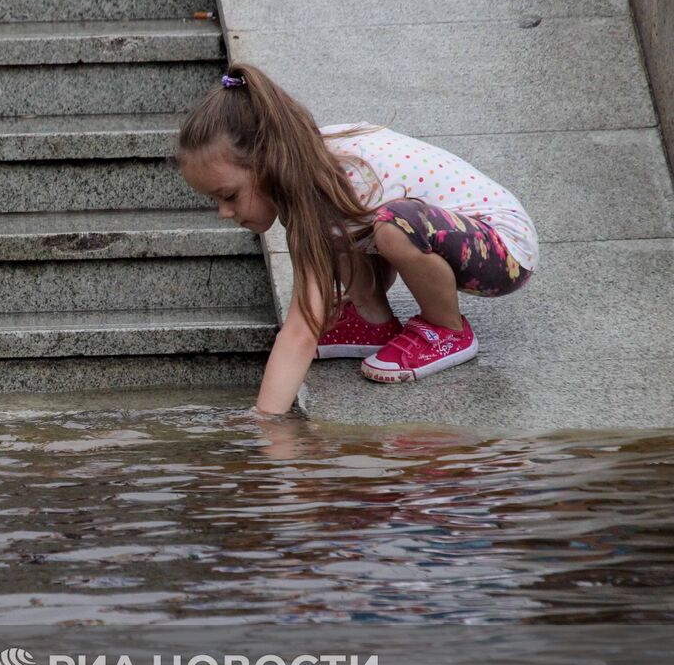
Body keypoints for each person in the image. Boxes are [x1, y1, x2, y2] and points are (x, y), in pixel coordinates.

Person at [176, 63, 537, 415]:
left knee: (393, 227)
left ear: (267, 162)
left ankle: (447, 329)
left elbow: (301, 329)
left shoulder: (319, 187)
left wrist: (266, 425)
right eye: (215, 200)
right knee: (355, 226)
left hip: (504, 251)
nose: (223, 212)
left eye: (229, 195)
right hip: (463, 237)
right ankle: (372, 317)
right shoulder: (310, 164)